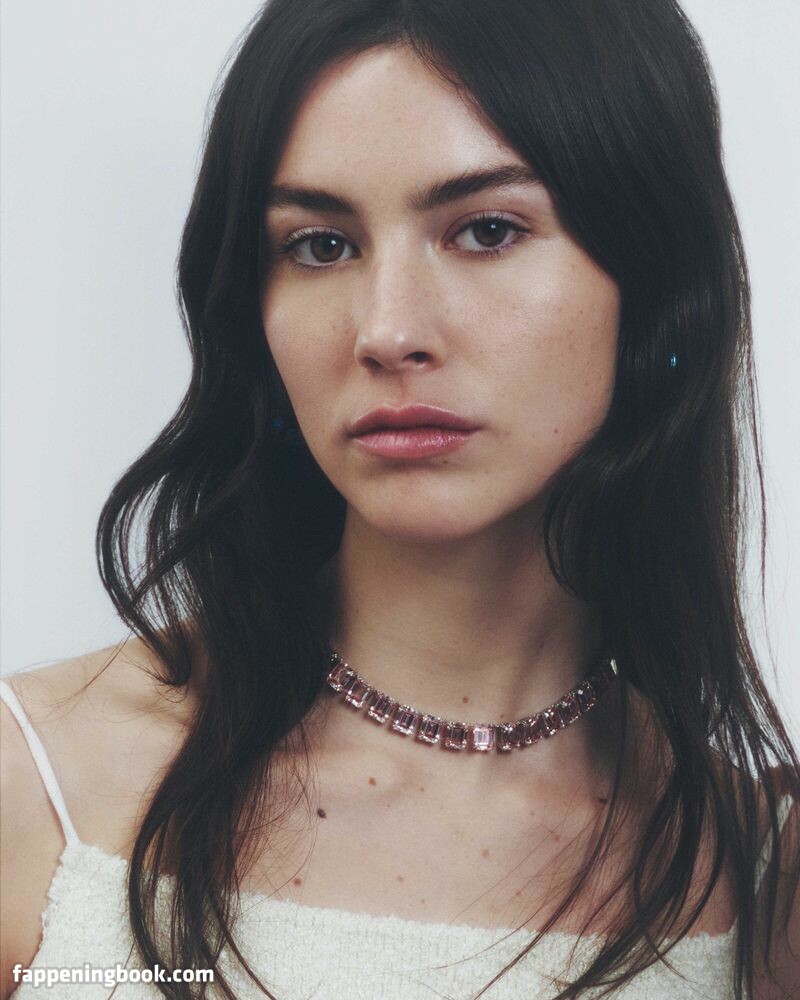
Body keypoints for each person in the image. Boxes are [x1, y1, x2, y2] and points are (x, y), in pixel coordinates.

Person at [1, 0, 798, 997]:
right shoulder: (39, 786)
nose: (386, 330)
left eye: (486, 230)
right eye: (320, 246)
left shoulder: (754, 872)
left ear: (655, 284)